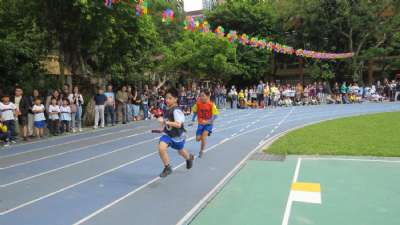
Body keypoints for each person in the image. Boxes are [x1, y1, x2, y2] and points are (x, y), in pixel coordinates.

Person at [157, 88, 194, 178]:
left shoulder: (177, 111)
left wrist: (166, 122)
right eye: (166, 98)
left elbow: (178, 124)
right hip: (168, 134)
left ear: (175, 99)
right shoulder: (167, 109)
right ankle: (167, 167)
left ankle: (189, 158)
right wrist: (162, 127)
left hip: (177, 136)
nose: (167, 100)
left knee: (180, 151)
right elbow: (166, 121)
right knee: (161, 148)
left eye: (170, 98)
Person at [191, 90, 220, 158]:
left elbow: (215, 115)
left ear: (208, 96)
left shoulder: (211, 104)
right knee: (198, 139)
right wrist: (192, 120)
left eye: (203, 96)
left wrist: (208, 121)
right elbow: (195, 112)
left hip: (208, 124)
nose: (201, 97)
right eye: (200, 96)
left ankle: (201, 151)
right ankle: (205, 134)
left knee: (203, 137)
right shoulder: (198, 104)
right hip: (200, 123)